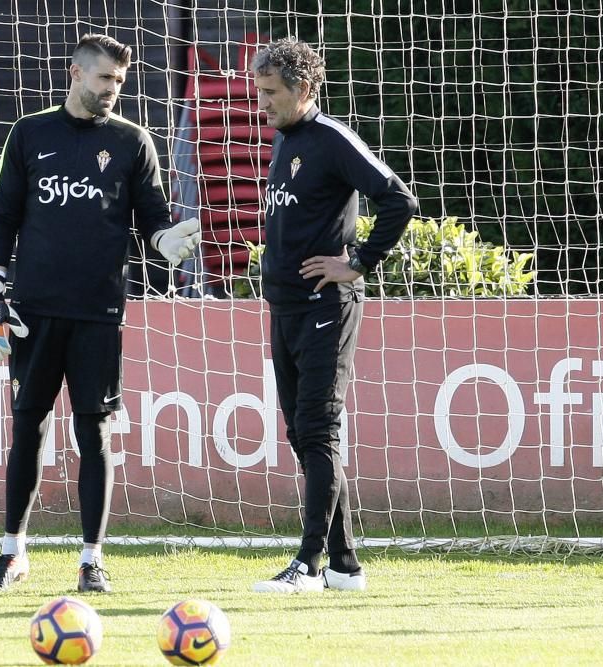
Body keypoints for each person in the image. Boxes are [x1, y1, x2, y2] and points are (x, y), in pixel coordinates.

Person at [0, 33, 201, 593]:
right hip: (32, 309)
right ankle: (12, 554)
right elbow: (4, 217)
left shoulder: (133, 142)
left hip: (99, 311)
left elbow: (151, 215)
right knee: (27, 426)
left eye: (119, 82)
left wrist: (165, 240)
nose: (112, 90)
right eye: (104, 79)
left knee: (94, 433)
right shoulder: (30, 133)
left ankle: (91, 558)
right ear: (75, 73)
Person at [249, 37, 417, 593]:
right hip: (287, 306)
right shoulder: (285, 141)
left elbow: (399, 198)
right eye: (260, 91)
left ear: (302, 88)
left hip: (327, 307)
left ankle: (309, 564)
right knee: (302, 432)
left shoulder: (332, 139)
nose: (262, 103)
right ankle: (345, 564)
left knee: (317, 430)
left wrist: (360, 262)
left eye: (271, 93)